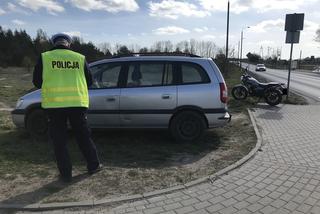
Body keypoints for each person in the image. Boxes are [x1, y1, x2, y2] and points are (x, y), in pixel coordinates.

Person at [33, 33, 102, 182]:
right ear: (68, 44)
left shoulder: (45, 57)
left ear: (54, 43)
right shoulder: (80, 58)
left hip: (54, 105)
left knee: (59, 141)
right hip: (77, 104)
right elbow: (89, 80)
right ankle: (93, 165)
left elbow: (37, 81)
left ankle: (65, 174)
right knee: (83, 136)